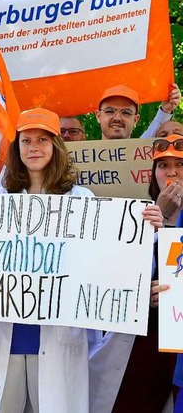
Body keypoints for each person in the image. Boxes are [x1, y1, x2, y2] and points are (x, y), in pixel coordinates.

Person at [0, 108, 163, 413]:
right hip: (5, 335)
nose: (34, 148)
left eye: (42, 140)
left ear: (56, 146)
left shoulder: (81, 200)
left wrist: (148, 228)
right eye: (26, 141)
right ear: (16, 148)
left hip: (59, 337)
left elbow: (110, 253)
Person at [88, 135, 180, 413]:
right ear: (153, 173)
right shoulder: (136, 215)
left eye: (180, 164)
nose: (172, 172)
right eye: (163, 165)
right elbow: (110, 276)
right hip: (143, 346)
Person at [97, 84, 181, 140]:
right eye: (109, 111)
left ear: (135, 120)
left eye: (126, 112)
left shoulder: (142, 156)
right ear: (98, 116)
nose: (117, 118)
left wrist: (166, 109)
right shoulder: (84, 159)